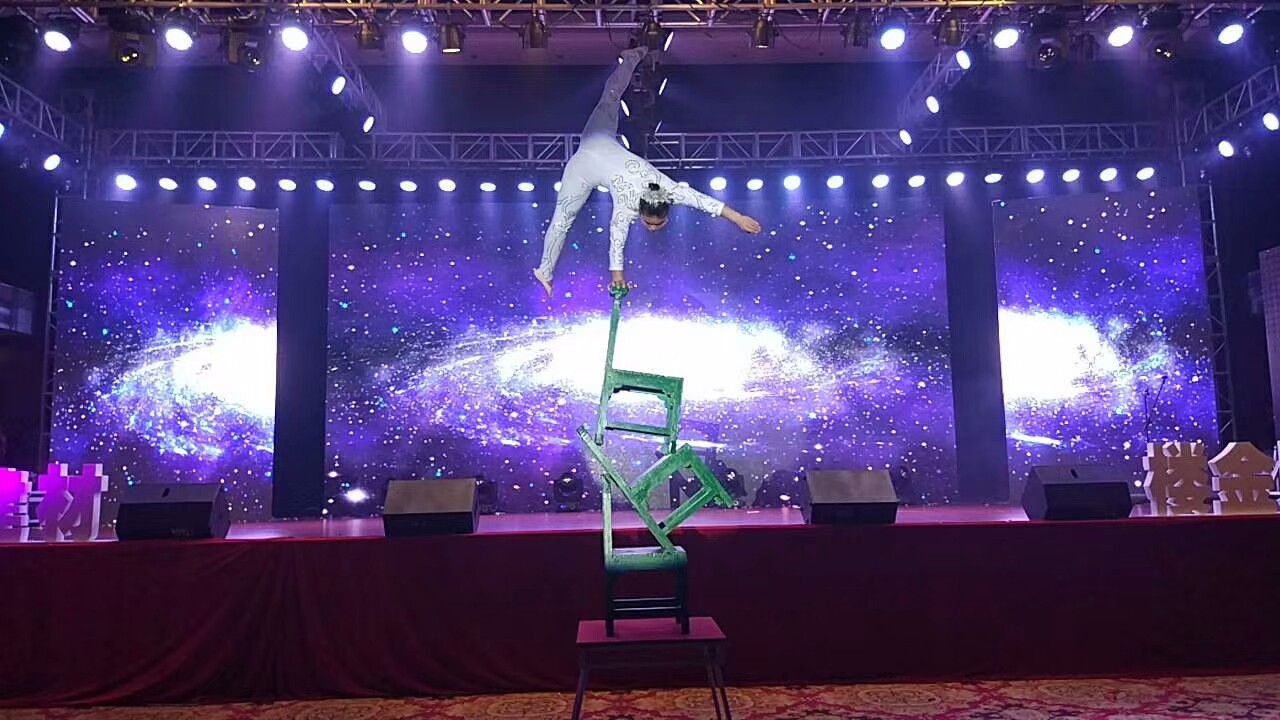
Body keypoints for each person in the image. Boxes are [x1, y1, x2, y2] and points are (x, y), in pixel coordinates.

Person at [534, 46, 762, 295]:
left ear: (667, 212)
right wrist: (617, 277)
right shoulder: (628, 206)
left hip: (600, 138)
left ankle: (631, 58)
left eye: (655, 224)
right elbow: (617, 239)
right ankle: (545, 271)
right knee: (562, 219)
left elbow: (703, 201)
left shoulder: (670, 191)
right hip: (583, 165)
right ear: (640, 212)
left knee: (610, 98)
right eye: (650, 223)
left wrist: (738, 218)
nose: (651, 228)